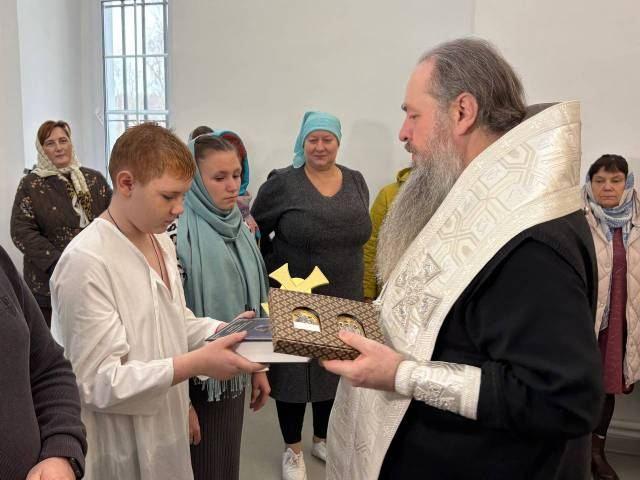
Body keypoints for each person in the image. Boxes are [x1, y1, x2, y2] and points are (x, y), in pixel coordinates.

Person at [323, 38, 604, 480]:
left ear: (462, 112)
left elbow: (563, 400)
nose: (403, 133)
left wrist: (402, 375)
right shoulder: (477, 207)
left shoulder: (530, 238)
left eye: (413, 115)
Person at [50, 123, 264, 480]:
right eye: (168, 196)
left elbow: (174, 321)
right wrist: (195, 364)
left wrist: (224, 331)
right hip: (121, 443)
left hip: (165, 426)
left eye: (184, 195)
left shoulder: (158, 239)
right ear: (126, 183)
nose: (180, 208)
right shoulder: (87, 262)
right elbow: (98, 382)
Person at [251, 111, 372, 480]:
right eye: (312, 140)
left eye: (327, 139)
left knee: (333, 374)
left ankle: (322, 438)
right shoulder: (283, 183)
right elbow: (256, 231)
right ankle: (293, 450)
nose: (320, 147)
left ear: (338, 142)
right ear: (302, 143)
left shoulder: (356, 180)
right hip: (297, 294)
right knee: (292, 375)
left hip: (346, 294)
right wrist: (274, 274)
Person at [175, 131, 271, 480]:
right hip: (192, 379)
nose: (232, 186)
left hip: (233, 372)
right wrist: (181, 403)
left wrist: (259, 366)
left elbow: (256, 299)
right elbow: (168, 325)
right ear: (194, 181)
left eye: (236, 174)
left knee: (225, 463)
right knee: (200, 467)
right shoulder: (176, 235)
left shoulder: (240, 228)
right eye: (219, 178)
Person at [10, 120, 111, 326]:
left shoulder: (94, 180)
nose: (58, 148)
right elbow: (21, 231)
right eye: (50, 143)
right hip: (48, 284)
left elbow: (113, 219)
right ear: (42, 149)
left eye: (63, 141)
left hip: (94, 277)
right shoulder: (31, 184)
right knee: (53, 341)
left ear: (70, 143)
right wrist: (60, 263)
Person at [0, 244, 86, 480]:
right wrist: (54, 260)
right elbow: (24, 231)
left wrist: (60, 451)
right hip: (44, 283)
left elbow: (48, 368)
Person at [583, 154, 639, 480]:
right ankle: (571, 453)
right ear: (589, 183)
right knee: (575, 384)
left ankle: (596, 454)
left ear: (627, 183)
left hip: (621, 321)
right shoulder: (578, 219)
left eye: (615, 180)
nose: (607, 187)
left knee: (607, 386)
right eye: (600, 180)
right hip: (582, 320)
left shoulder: (638, 221)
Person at [363, 167, 412, 300]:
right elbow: (371, 245)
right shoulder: (388, 193)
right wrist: (367, 293)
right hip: (389, 294)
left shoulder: (453, 193)